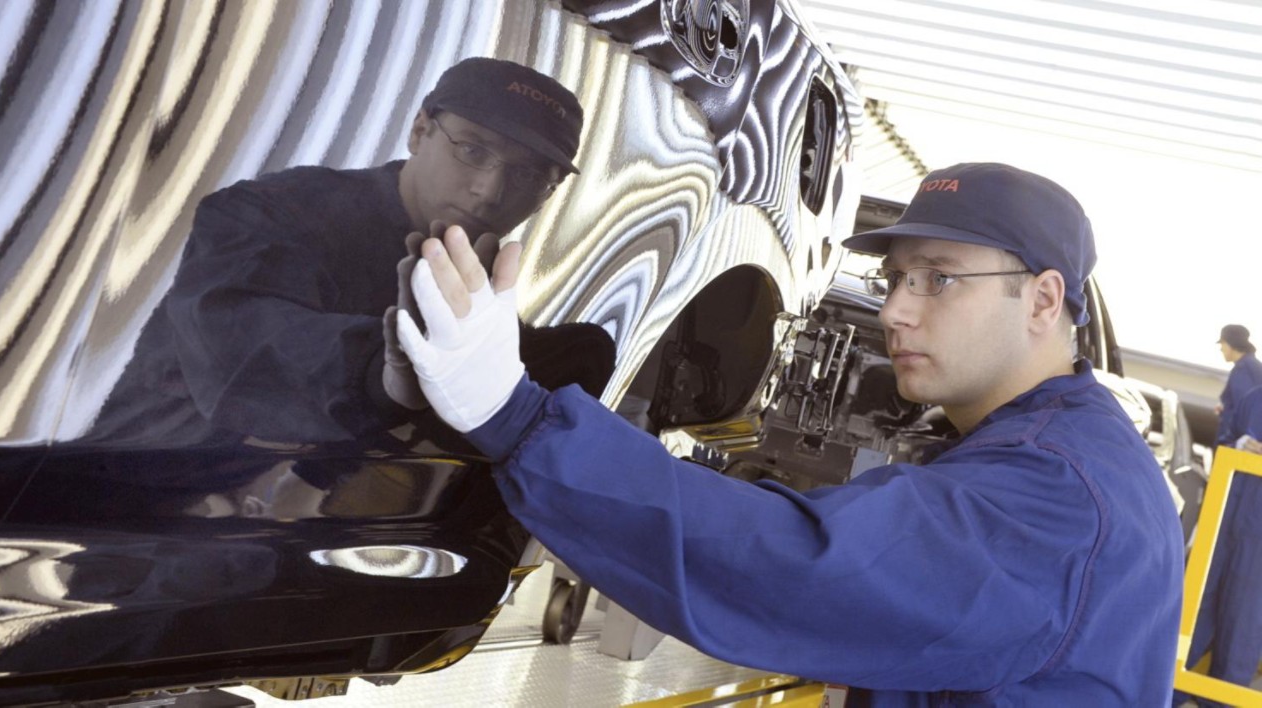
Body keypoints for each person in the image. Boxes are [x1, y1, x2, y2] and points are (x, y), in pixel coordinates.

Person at [394, 162, 1183, 705]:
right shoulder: (1072, 446)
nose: (895, 310)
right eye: (895, 278)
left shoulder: (1054, 497)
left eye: (939, 277)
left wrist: (519, 417)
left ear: (1044, 301)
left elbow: (800, 566)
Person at [87, 57, 614, 453]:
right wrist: (381, 372)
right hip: (132, 509)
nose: (490, 191)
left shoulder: (469, 281)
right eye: (473, 150)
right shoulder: (270, 211)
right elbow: (244, 344)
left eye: (526, 175)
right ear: (420, 130)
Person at [1177, 385, 1262, 707]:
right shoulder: (1253, 396)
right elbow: (1224, 438)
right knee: (1195, 609)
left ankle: (1221, 702)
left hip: (1258, 540)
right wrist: (1238, 443)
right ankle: (1166, 692)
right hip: (1223, 526)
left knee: (1243, 624)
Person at [1213, 324, 1262, 449]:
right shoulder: (1251, 366)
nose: (1221, 349)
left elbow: (1247, 410)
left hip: (1239, 447)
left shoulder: (1244, 370)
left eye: (1222, 344)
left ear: (1230, 343)